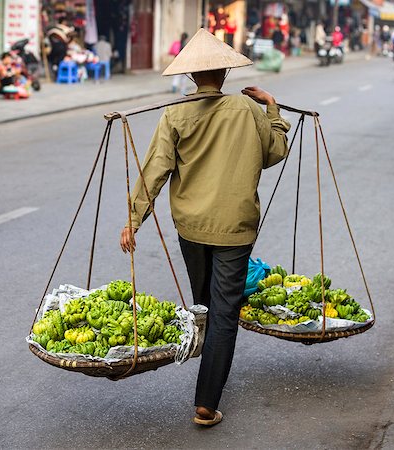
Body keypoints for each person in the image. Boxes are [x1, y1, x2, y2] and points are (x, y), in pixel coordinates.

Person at [119, 28, 290, 426]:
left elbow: (154, 172)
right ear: (225, 74)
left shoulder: (175, 114)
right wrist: (272, 108)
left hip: (191, 229)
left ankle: (205, 360)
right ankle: (206, 403)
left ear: (193, 77)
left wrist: (133, 220)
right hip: (235, 228)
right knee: (224, 312)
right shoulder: (247, 111)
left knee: (208, 306)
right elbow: (275, 152)